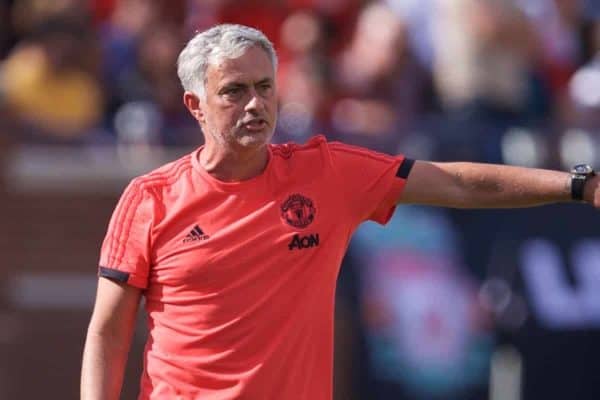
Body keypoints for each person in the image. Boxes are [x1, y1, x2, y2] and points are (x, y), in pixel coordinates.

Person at [80, 24, 600, 400]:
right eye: (234, 92)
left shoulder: (325, 174)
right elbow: (108, 331)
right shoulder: (149, 197)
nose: (255, 105)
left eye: (264, 88)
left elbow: (459, 184)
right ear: (195, 105)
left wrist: (578, 185)